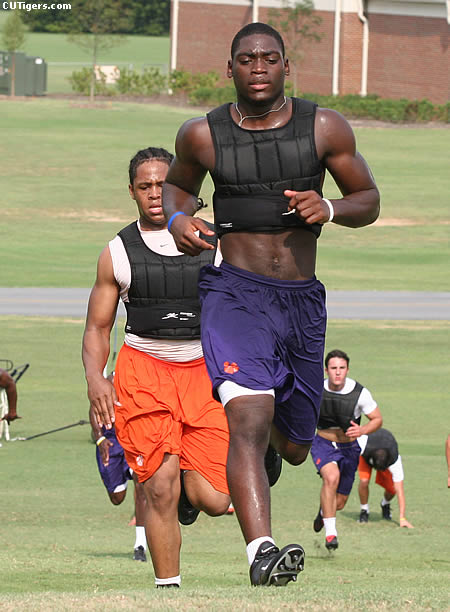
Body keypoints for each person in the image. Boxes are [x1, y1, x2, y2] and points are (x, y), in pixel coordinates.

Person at [162, 22, 380, 586]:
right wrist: (182, 218)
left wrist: (329, 209)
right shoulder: (202, 135)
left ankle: (257, 466)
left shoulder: (324, 126)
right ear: (229, 68)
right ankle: (261, 552)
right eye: (246, 59)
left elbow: (369, 198)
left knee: (298, 446)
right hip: (234, 293)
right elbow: (178, 188)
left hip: (301, 305)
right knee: (248, 415)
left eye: (268, 58)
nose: (257, 67)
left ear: (286, 66)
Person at [82, 146, 231, 589]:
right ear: (131, 191)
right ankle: (169, 591)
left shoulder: (215, 243)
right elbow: (97, 328)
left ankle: (211, 478)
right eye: (144, 186)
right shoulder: (117, 252)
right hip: (143, 372)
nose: (153, 194)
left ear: (179, 188)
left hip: (204, 372)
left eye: (161, 185)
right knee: (159, 486)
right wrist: (96, 379)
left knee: (213, 498)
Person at [311, 350, 383, 550]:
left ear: (347, 370)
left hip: (349, 447)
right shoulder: (317, 389)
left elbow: (377, 419)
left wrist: (362, 429)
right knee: (331, 478)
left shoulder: (359, 393)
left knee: (340, 502)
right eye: (333, 368)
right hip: (323, 443)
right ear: (326, 370)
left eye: (342, 368)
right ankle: (331, 535)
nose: (337, 372)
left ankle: (323, 513)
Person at [89, 372, 149, 561]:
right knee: (117, 497)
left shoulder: (143, 382)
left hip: (135, 440)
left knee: (141, 487)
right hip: (112, 442)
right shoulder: (108, 382)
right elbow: (93, 408)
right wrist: (99, 438)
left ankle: (140, 545)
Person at [357, 427, 413, 528]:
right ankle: (364, 510)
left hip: (384, 450)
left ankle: (385, 504)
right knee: (364, 481)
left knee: (392, 489)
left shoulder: (394, 459)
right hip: (366, 454)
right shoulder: (363, 444)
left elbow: (400, 489)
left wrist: (402, 518)